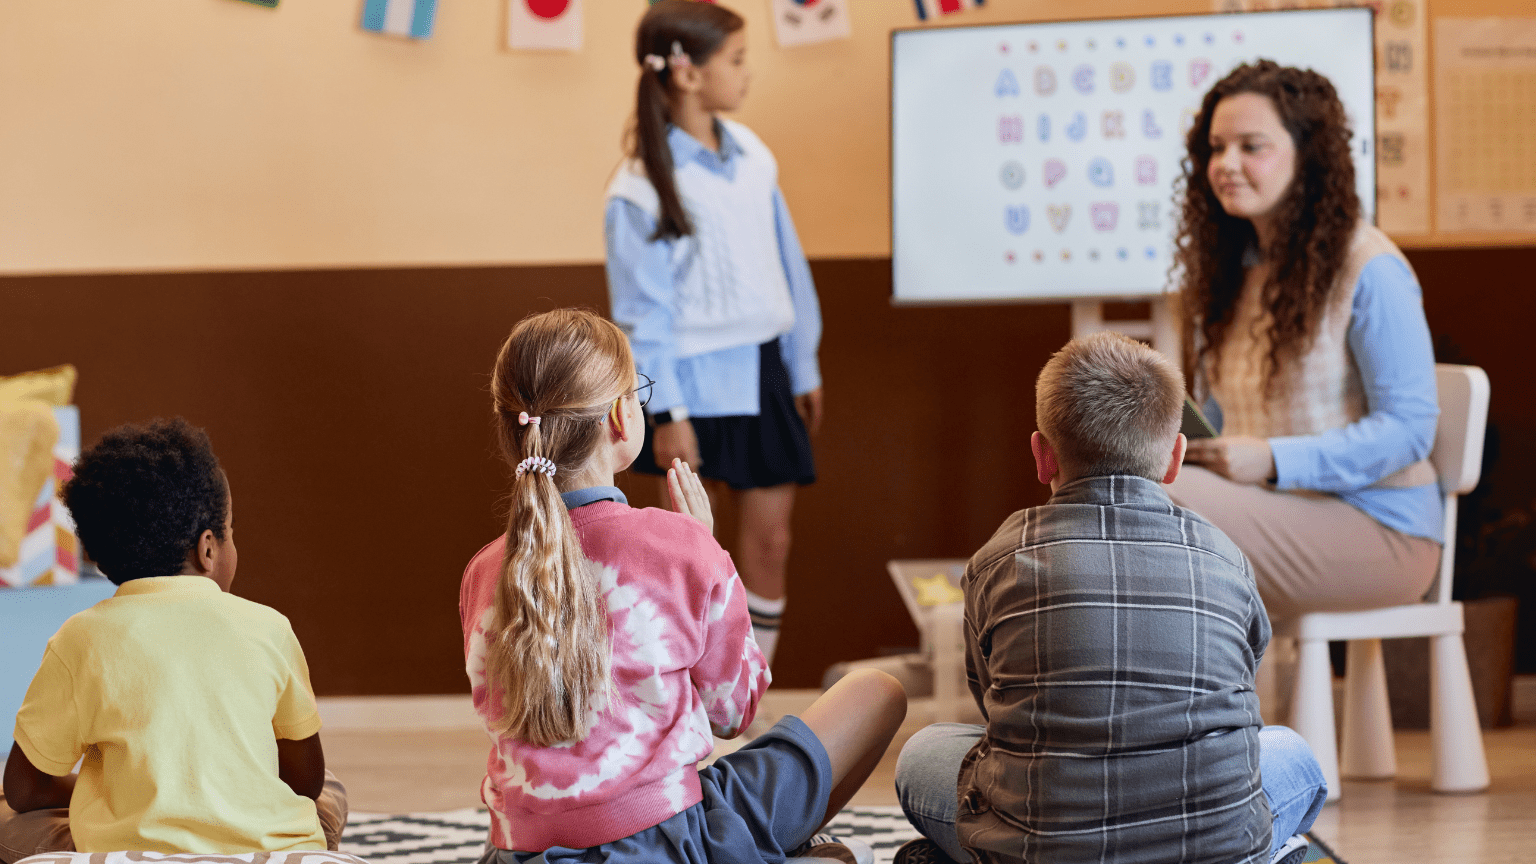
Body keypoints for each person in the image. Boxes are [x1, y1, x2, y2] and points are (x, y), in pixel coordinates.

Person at [459, 309, 904, 864]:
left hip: (517, 853)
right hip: (666, 846)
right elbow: (732, 713)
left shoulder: (482, 572)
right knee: (877, 693)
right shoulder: (679, 546)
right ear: (623, 417)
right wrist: (707, 552)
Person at [891, 333, 1326, 864]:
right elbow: (1238, 690)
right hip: (1209, 847)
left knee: (922, 753)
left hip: (1039, 848)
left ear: (1042, 457)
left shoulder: (1000, 557)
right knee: (1292, 754)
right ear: (1175, 460)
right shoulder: (1224, 556)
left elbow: (993, 704)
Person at [1166, 60, 1442, 624]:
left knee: (1158, 506)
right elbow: (1227, 414)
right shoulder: (1233, 274)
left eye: (1252, 147)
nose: (1227, 165)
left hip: (1383, 532)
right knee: (1125, 486)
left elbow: (1411, 428)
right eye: (1217, 148)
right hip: (1282, 511)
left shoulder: (1370, 267)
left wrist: (1271, 459)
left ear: (1306, 156)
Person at [0, 418, 347, 862]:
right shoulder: (270, 628)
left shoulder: (79, 638)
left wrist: (103, 791)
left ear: (99, 554)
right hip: (260, 846)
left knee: (8, 817)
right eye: (231, 529)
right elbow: (305, 779)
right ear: (207, 549)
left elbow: (24, 789)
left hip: (125, 849)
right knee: (330, 791)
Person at [604, 0, 823, 666]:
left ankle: (746, 692)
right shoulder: (638, 187)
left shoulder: (753, 154)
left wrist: (803, 362)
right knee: (689, 550)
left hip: (764, 372)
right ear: (687, 74)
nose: (747, 73)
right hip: (688, 390)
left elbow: (789, 262)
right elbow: (641, 314)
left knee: (771, 543)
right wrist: (664, 410)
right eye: (735, 59)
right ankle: (689, 692)